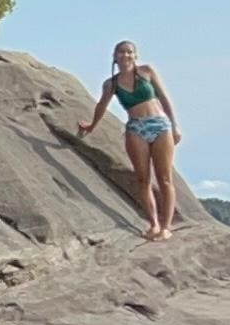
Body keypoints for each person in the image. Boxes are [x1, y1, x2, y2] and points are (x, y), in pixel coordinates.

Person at [78, 39, 183, 240]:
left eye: (129, 52)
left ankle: (166, 227)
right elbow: (102, 105)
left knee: (165, 178)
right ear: (115, 57)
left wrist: (175, 125)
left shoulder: (147, 72)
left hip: (160, 125)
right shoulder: (111, 84)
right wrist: (92, 126)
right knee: (143, 179)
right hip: (136, 128)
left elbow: (164, 98)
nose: (125, 55)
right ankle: (153, 223)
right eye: (121, 52)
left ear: (135, 55)